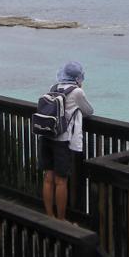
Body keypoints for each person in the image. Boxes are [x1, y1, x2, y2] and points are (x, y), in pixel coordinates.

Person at [39, 60, 93, 220]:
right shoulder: (77, 92)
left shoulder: (53, 88)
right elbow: (88, 111)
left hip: (46, 136)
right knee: (61, 181)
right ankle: (61, 220)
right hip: (62, 140)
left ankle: (50, 216)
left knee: (48, 178)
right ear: (78, 78)